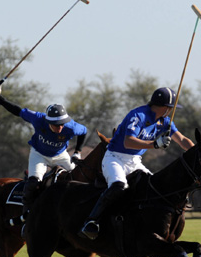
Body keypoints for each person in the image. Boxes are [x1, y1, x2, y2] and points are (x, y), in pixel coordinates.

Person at [80, 87, 195, 240]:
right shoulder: (138, 115)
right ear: (165, 107)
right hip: (115, 158)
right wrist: (154, 144)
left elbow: (181, 139)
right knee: (118, 186)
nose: (171, 111)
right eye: (171, 108)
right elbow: (128, 142)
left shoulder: (165, 121)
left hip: (134, 161)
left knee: (156, 189)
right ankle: (91, 222)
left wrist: (199, 152)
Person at [0, 83, 87, 214]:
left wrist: (77, 153)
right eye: (56, 125)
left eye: (62, 124)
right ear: (48, 121)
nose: (60, 128)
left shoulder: (71, 127)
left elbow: (84, 132)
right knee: (33, 183)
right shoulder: (38, 119)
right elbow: (16, 110)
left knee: (80, 179)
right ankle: (27, 212)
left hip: (61, 155)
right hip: (39, 154)